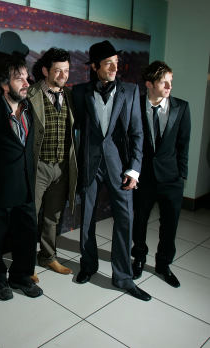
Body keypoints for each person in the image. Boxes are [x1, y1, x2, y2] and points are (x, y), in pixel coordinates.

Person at [72, 40, 151, 301]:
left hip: (121, 168)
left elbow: (138, 133)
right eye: (108, 63)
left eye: (116, 62)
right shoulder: (80, 91)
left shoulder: (130, 90)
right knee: (86, 221)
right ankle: (88, 266)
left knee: (125, 220)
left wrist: (135, 169)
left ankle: (123, 277)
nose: (114, 67)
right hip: (90, 165)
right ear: (95, 67)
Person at [0, 55, 43, 301]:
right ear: (5, 85)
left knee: (28, 233)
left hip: (26, 186)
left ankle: (22, 276)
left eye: (27, 77)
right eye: (19, 79)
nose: (26, 82)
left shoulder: (30, 108)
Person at [131, 61, 190, 287]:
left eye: (170, 82)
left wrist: (181, 177)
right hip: (144, 177)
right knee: (140, 222)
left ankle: (163, 264)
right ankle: (139, 258)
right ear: (149, 84)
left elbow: (184, 145)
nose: (168, 86)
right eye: (163, 82)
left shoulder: (181, 107)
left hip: (171, 179)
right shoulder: (135, 105)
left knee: (170, 224)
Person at [27, 48, 77, 275]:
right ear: (46, 70)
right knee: (31, 216)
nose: (63, 75)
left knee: (52, 216)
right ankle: (26, 264)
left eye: (66, 70)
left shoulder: (70, 96)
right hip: (38, 167)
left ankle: (48, 256)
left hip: (62, 167)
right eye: (58, 70)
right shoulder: (31, 93)